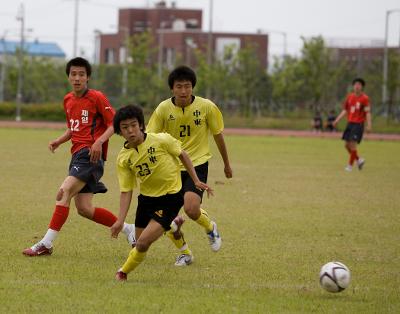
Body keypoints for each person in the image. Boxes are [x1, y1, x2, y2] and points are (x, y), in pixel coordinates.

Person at [23, 57, 135, 256]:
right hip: (77, 156)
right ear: (68, 77)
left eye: (81, 74)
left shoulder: (97, 97)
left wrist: (99, 142)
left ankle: (46, 244)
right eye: (73, 74)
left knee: (63, 192)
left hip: (90, 155)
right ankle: (129, 229)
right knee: (84, 208)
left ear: (88, 77)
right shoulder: (68, 99)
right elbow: (73, 128)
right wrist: (59, 140)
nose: (77, 78)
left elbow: (114, 123)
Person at [111, 105, 212, 281]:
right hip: (146, 201)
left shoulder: (161, 140)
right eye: (125, 127)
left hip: (170, 197)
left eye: (133, 125)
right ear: (120, 132)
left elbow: (183, 154)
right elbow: (126, 190)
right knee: (137, 243)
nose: (130, 130)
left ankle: (122, 273)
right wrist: (120, 220)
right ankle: (172, 226)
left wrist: (195, 180)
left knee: (142, 244)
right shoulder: (123, 158)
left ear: (141, 125)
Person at [147, 65, 233, 262]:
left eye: (187, 86)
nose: (184, 91)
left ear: (193, 86)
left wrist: (226, 164)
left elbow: (219, 136)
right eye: (179, 87)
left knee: (191, 208)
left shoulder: (207, 107)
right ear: (172, 89)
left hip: (197, 163)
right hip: (169, 167)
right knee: (164, 219)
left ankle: (210, 228)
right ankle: (185, 254)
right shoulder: (163, 109)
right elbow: (150, 137)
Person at [333, 78, 372, 172]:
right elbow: (345, 110)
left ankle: (350, 166)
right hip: (350, 123)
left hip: (358, 124)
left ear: (362, 87)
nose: (357, 86)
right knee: (346, 145)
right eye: (355, 84)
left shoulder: (365, 98)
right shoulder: (350, 97)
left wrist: (369, 125)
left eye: (359, 84)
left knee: (353, 145)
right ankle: (359, 160)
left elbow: (367, 113)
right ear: (353, 86)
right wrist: (337, 120)